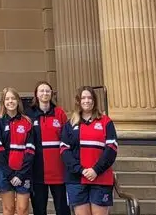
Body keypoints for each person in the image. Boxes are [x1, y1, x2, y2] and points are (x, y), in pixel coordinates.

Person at [59, 87, 117, 215]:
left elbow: (111, 148)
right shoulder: (70, 124)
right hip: (76, 179)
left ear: (94, 101)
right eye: (83, 98)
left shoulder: (106, 122)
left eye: (90, 98)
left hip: (100, 177)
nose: (86, 101)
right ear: (78, 101)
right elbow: (64, 150)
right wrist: (80, 170)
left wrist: (96, 170)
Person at [27, 83, 68, 215]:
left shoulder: (59, 113)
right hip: (37, 169)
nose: (45, 93)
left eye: (47, 91)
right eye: (41, 91)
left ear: (51, 94)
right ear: (36, 94)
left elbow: (67, 139)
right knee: (39, 209)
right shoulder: (29, 114)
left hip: (59, 169)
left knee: (62, 209)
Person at [0, 89, 34, 215]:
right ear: (3, 102)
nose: (10, 101)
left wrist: (20, 174)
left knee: (22, 209)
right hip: (4, 171)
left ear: (18, 101)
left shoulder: (27, 121)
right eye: (7, 99)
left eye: (13, 98)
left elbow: (30, 150)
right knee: (8, 209)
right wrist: (9, 174)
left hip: (23, 171)